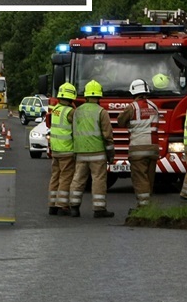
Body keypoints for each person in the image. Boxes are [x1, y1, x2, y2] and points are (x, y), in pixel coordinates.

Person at [68, 80, 115, 218]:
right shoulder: (101, 112)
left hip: (80, 152)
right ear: (99, 96)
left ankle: (74, 207)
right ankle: (99, 208)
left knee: (78, 179)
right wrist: (111, 154)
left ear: (86, 95)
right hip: (97, 153)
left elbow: (72, 127)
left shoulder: (77, 111)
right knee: (98, 180)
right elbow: (108, 135)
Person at [117, 79, 160, 212]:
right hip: (153, 148)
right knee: (149, 177)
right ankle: (148, 204)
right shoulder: (154, 106)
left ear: (133, 93)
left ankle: (143, 206)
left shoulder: (132, 107)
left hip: (138, 148)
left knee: (139, 177)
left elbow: (120, 121)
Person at [47, 83, 77, 216]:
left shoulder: (55, 109)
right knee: (66, 177)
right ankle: (62, 205)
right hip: (67, 150)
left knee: (55, 177)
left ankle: (52, 205)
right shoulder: (70, 112)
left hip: (55, 149)